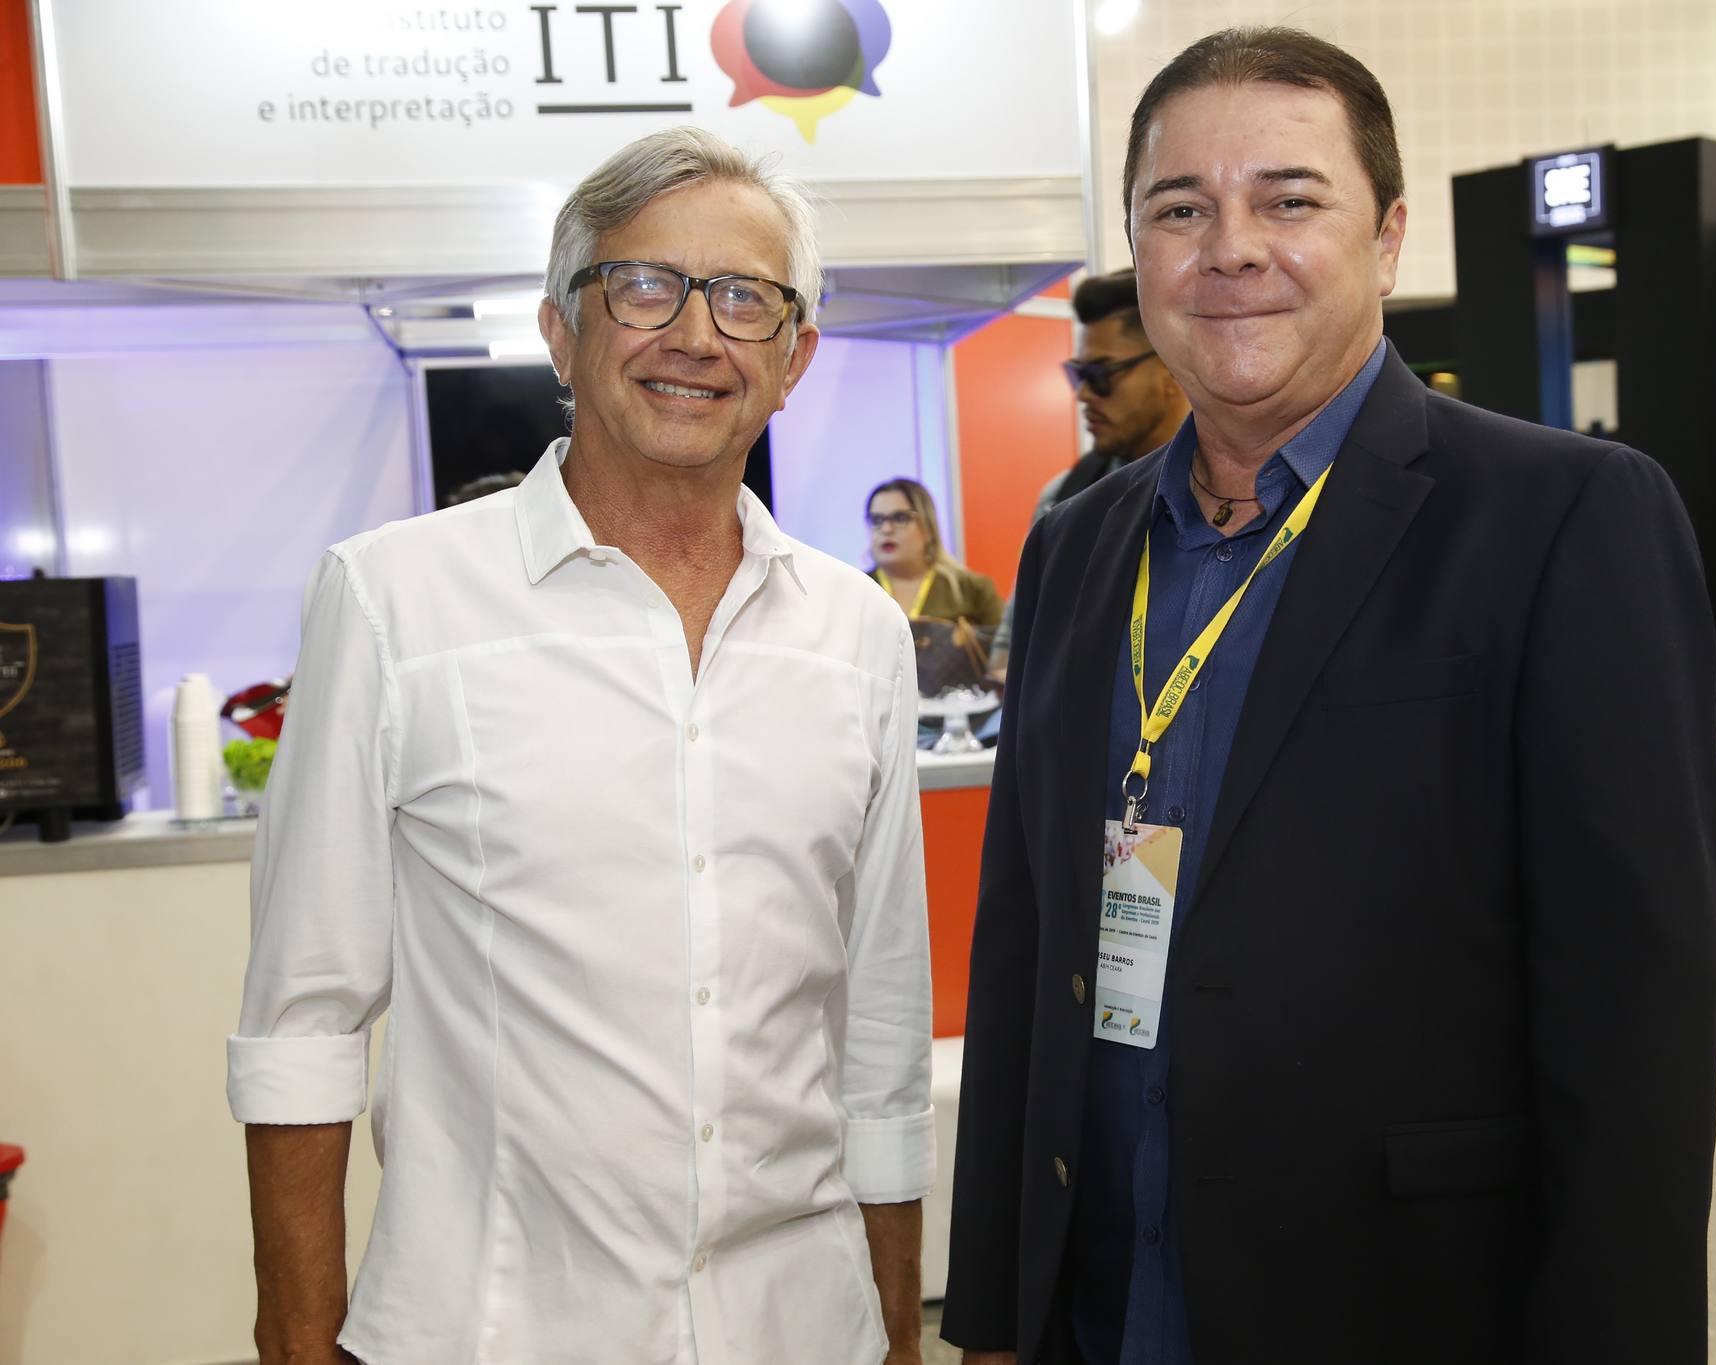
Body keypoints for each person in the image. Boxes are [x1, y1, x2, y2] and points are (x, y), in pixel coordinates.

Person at [944, 26, 1716, 1365]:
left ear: (1388, 238)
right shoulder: (1075, 546)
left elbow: (1641, 1018)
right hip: (1102, 1306)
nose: (1229, 249)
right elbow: (1023, 940)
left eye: (1289, 200)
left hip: (1402, 1304)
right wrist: (994, 1314)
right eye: (1179, 210)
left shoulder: (1564, 519)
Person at [229, 127, 933, 1365]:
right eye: (645, 286)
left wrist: (892, 1330)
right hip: (497, 1329)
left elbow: (877, 1032)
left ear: (795, 359)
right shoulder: (395, 602)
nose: (696, 336)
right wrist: (295, 1334)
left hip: (798, 1325)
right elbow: (303, 1018)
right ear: (560, 332)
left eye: (745, 299)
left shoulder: (857, 633)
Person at [988, 270, 1190, 679]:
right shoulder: (1063, 500)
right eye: (1077, 374)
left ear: (1171, 365)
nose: (1082, 394)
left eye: (1101, 374)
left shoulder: (1231, 495)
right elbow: (1012, 648)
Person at [868, 476, 1004, 627]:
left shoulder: (973, 590)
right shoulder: (855, 589)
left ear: (928, 527)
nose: (886, 529)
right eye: (877, 520)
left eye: (900, 518)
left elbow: (1004, 641)